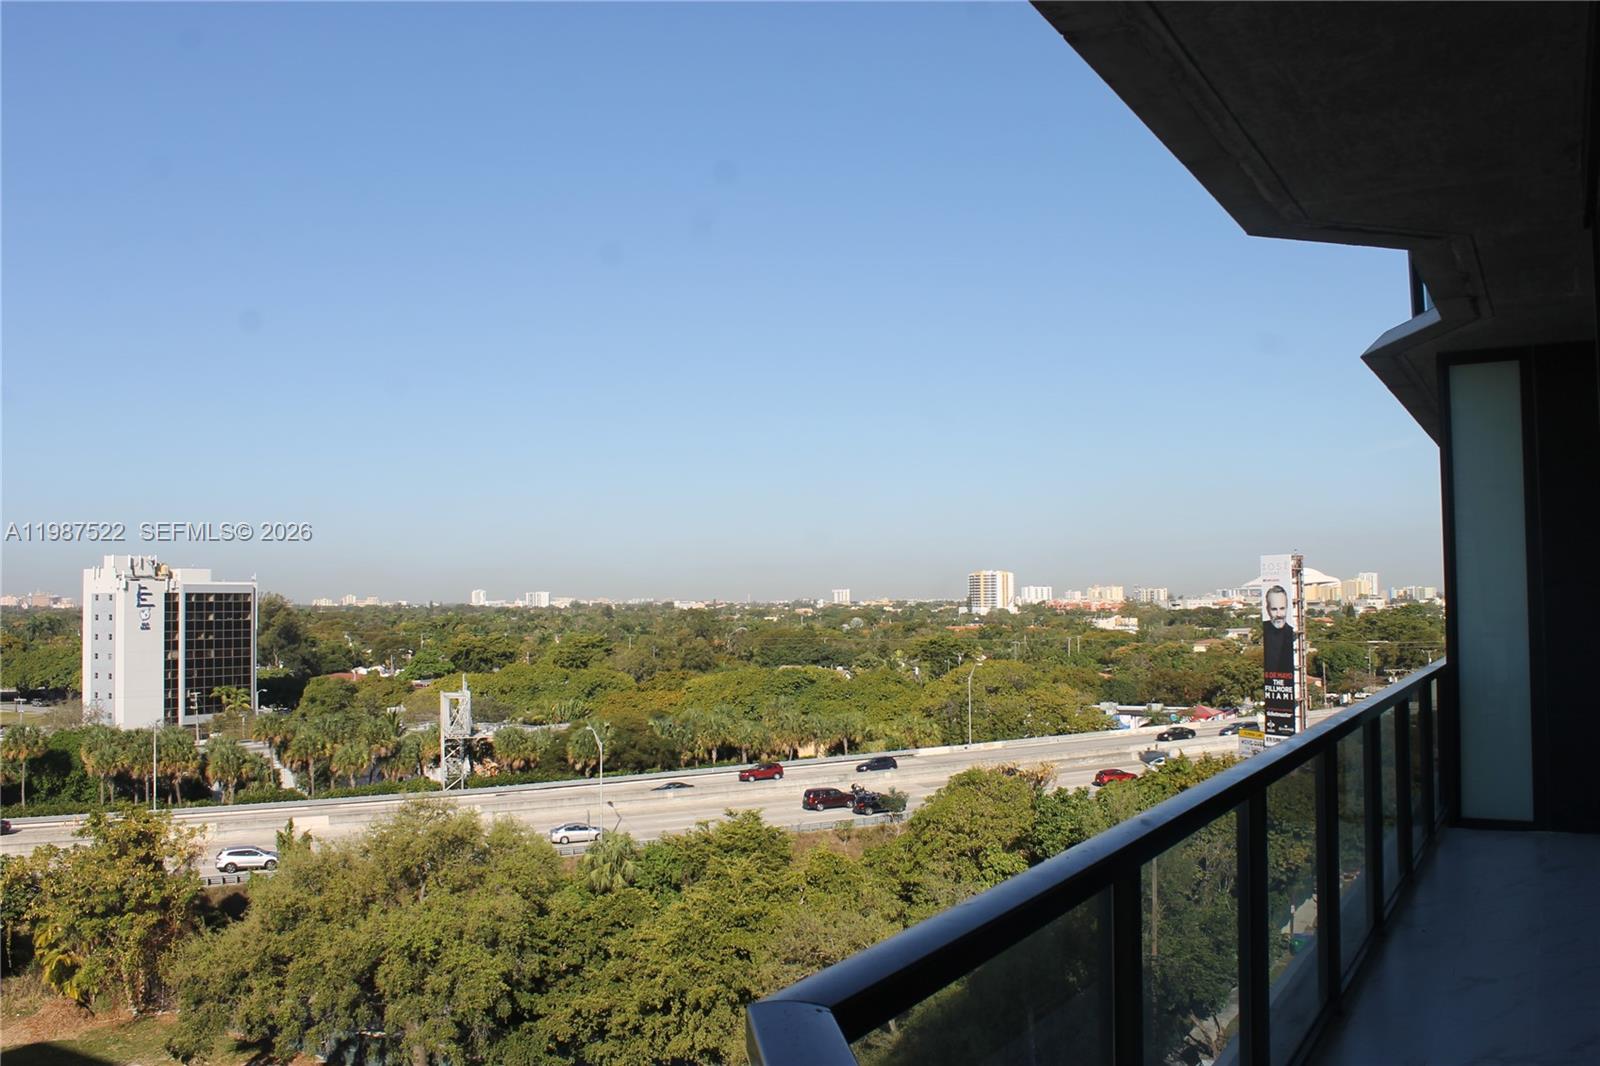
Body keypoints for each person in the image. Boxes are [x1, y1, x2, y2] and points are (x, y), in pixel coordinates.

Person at [1262, 585, 1296, 678]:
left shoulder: (1293, 634)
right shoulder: (1264, 630)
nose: (1279, 614)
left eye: (1282, 608)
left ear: (1287, 608)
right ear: (1267, 610)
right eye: (1274, 609)